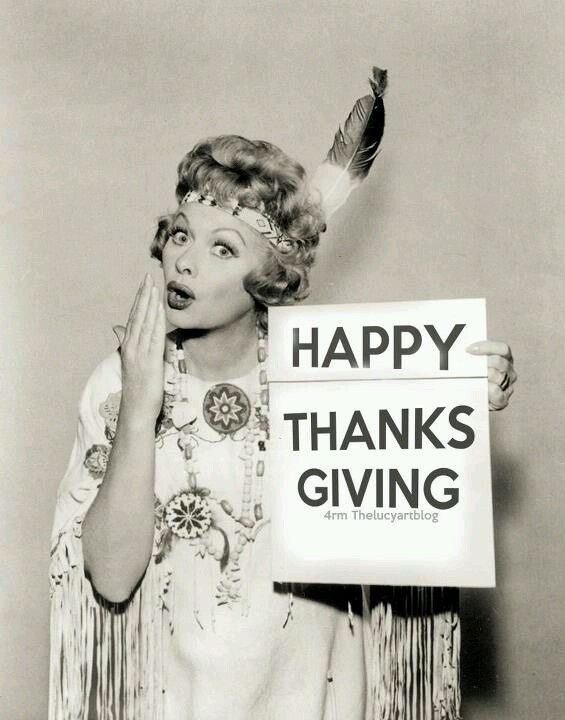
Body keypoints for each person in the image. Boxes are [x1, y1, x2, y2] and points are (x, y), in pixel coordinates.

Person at [49, 122, 517, 720]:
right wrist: (140, 409)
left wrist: (463, 393)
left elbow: (415, 462)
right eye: (181, 234)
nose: (185, 262)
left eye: (223, 248)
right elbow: (111, 581)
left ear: (266, 279)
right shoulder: (116, 384)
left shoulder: (328, 376)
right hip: (174, 699)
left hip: (314, 696)